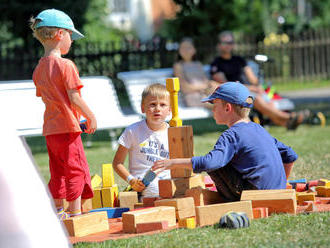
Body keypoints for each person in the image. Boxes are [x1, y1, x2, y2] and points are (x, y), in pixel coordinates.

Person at [153, 82, 297, 202]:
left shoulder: (231, 135)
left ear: (227, 108)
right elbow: (290, 155)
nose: (213, 110)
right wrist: (281, 186)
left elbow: (210, 163)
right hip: (276, 193)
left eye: (215, 105)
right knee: (223, 157)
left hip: (252, 197)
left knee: (217, 162)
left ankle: (230, 201)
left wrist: (171, 163)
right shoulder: (258, 129)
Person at [30, 9, 97, 219]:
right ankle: (76, 213)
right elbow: (74, 98)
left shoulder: (39, 69)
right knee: (74, 169)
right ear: (60, 34)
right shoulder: (66, 65)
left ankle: (58, 209)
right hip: (68, 128)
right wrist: (91, 117)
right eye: (71, 36)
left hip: (50, 130)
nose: (72, 41)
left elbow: (45, 97)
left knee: (57, 170)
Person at [210, 31, 309, 130]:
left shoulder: (239, 60)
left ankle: (287, 123)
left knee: (266, 99)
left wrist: (258, 85)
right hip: (233, 94)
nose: (229, 45)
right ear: (219, 45)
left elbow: (253, 79)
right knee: (256, 99)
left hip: (248, 90)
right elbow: (226, 85)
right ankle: (289, 118)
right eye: (226, 43)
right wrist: (253, 88)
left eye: (231, 43)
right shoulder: (216, 64)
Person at [113, 83, 171, 198]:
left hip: (168, 179)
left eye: (163, 105)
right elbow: (117, 163)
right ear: (143, 108)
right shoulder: (133, 131)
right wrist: (132, 181)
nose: (157, 109)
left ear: (169, 110)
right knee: (156, 189)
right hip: (143, 184)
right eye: (152, 104)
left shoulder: (173, 132)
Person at [173, 37, 218, 108]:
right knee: (219, 105)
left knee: (223, 100)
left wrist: (210, 85)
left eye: (188, 48)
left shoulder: (198, 64)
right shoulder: (178, 66)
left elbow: (206, 81)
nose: (185, 50)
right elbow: (185, 88)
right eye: (183, 48)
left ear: (194, 50)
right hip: (191, 96)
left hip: (204, 93)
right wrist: (204, 87)